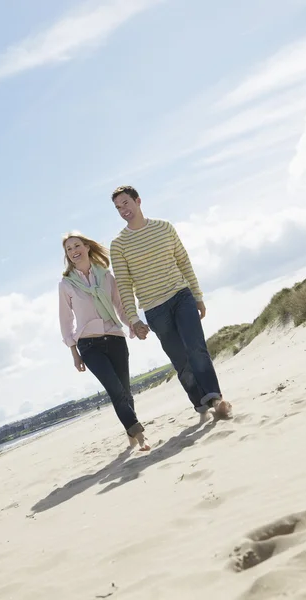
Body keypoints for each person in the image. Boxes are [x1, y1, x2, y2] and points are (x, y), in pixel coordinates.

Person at [109, 186, 232, 421]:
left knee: (197, 347)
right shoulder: (119, 244)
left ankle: (216, 399)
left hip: (181, 295)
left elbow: (184, 261)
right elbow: (124, 285)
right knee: (180, 359)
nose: (123, 210)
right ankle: (200, 403)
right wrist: (134, 319)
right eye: (118, 207)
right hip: (155, 309)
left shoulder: (164, 227)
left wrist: (197, 295)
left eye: (125, 203)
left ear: (138, 201)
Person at [58, 231, 150, 451]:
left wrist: (133, 324)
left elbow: (120, 306)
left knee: (125, 391)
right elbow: (65, 321)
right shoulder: (66, 285)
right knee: (115, 389)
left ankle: (130, 429)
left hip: (115, 338)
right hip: (89, 345)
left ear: (87, 247)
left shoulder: (106, 276)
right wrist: (74, 353)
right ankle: (139, 435)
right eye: (68, 249)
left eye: (76, 245)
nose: (73, 251)